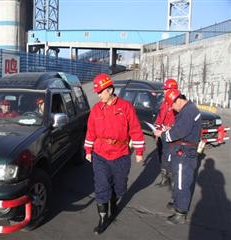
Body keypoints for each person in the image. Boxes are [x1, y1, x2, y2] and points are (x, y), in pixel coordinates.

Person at [84, 73, 145, 234]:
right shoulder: (96, 109)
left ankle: (114, 200)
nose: (98, 95)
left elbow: (135, 130)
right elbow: (90, 131)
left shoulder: (125, 107)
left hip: (121, 154)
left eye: (101, 91)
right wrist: (88, 150)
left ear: (110, 90)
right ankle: (103, 218)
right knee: (101, 185)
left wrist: (139, 151)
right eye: (97, 92)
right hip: (100, 153)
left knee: (119, 187)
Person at [154, 89, 201, 224]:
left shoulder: (188, 111)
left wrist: (162, 134)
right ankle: (177, 202)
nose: (172, 109)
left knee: (181, 182)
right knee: (177, 178)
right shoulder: (188, 109)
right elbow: (180, 129)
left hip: (185, 152)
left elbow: (178, 132)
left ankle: (180, 212)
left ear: (178, 100)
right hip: (182, 150)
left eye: (172, 105)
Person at [154, 78, 178, 187]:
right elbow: (160, 116)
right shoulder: (164, 102)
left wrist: (171, 127)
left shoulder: (178, 103)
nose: (164, 91)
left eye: (166, 89)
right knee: (162, 156)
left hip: (171, 136)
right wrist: (157, 127)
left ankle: (174, 183)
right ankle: (164, 179)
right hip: (161, 134)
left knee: (171, 158)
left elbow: (180, 121)